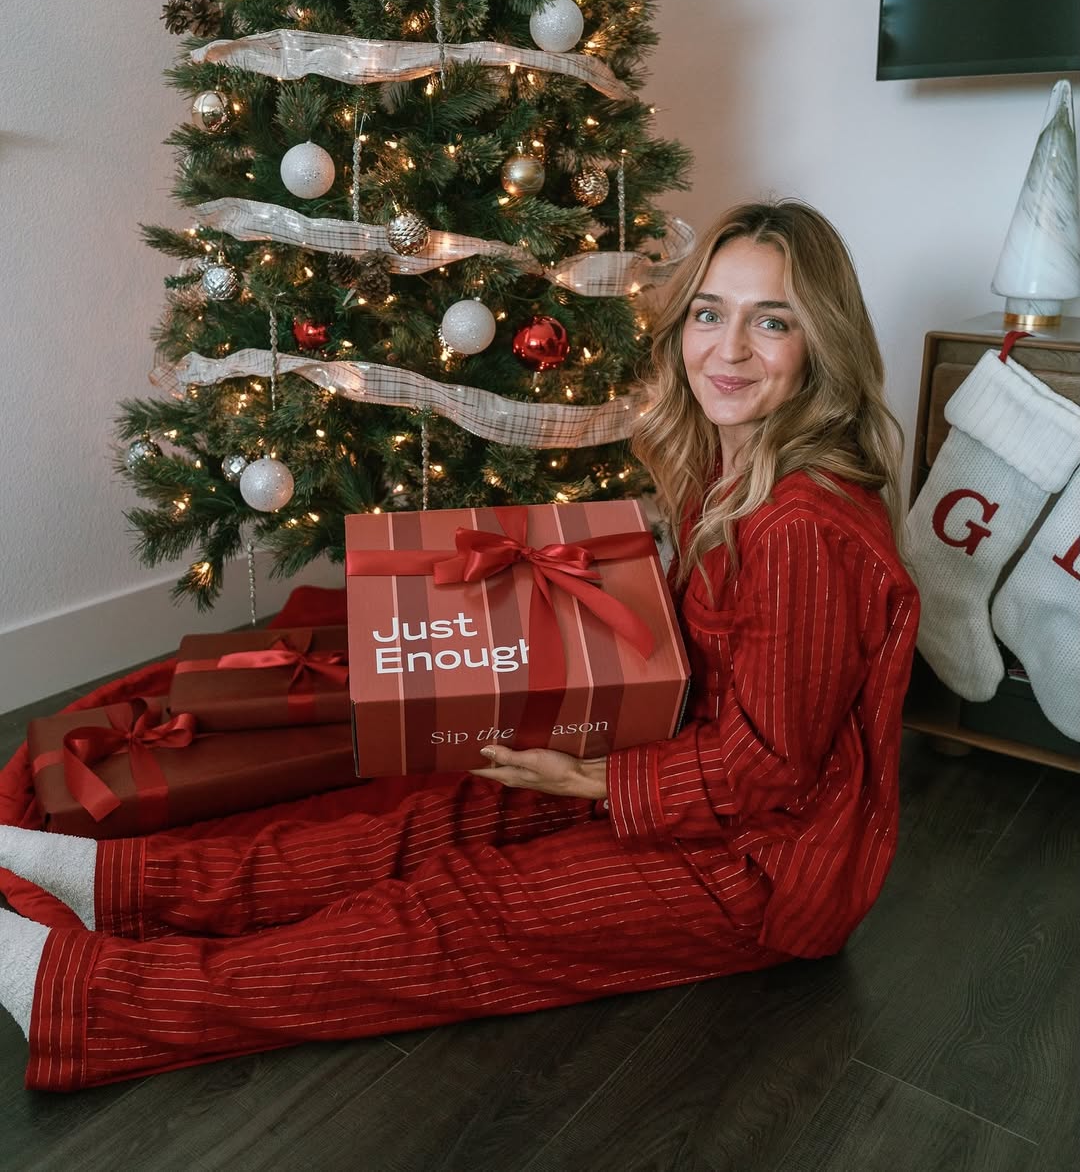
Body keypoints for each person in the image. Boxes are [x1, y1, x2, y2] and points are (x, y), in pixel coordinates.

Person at [0, 199, 919, 1091]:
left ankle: (90, 1002)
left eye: (773, 324)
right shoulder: (726, 470)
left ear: (821, 344)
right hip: (685, 778)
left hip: (763, 872)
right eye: (710, 313)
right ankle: (117, 885)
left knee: (452, 921)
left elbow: (774, 765)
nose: (727, 349)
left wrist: (595, 780)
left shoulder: (805, 524)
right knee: (433, 827)